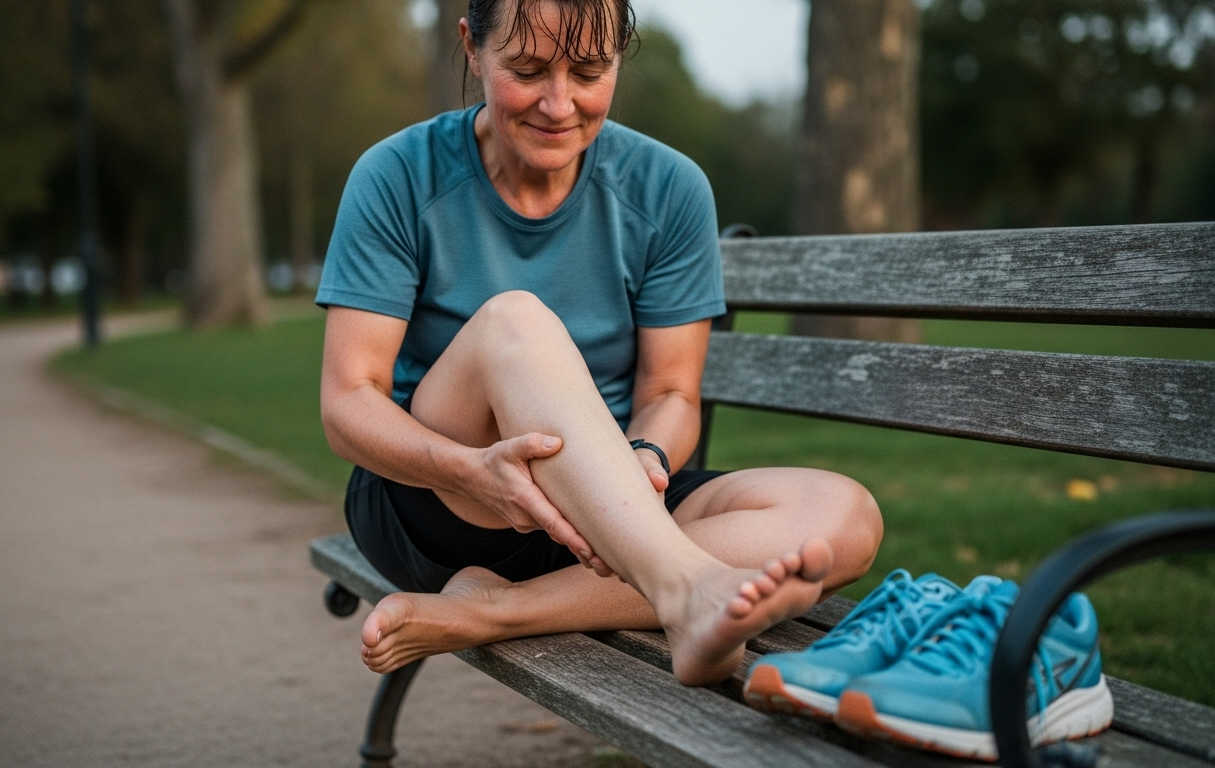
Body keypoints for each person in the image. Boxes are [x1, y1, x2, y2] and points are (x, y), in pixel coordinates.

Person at [317, 0, 883, 686]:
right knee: (514, 322)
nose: (560, 104)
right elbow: (350, 401)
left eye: (589, 71)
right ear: (471, 48)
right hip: (445, 498)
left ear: (620, 54)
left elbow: (671, 393)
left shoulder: (668, 188)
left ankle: (502, 608)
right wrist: (468, 471)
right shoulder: (397, 176)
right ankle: (685, 592)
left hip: (612, 513)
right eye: (527, 69)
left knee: (843, 518)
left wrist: (644, 457)